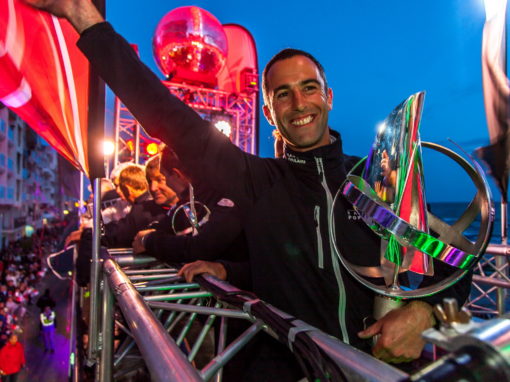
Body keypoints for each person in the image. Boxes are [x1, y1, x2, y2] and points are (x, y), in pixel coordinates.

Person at [25, 0, 471, 374]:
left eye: (309, 88)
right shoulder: (256, 181)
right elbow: (166, 115)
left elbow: (457, 258)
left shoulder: (378, 180)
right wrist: (85, 19)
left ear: (329, 97)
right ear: (267, 112)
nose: (299, 103)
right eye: (282, 94)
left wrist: (425, 312)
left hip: (379, 370)